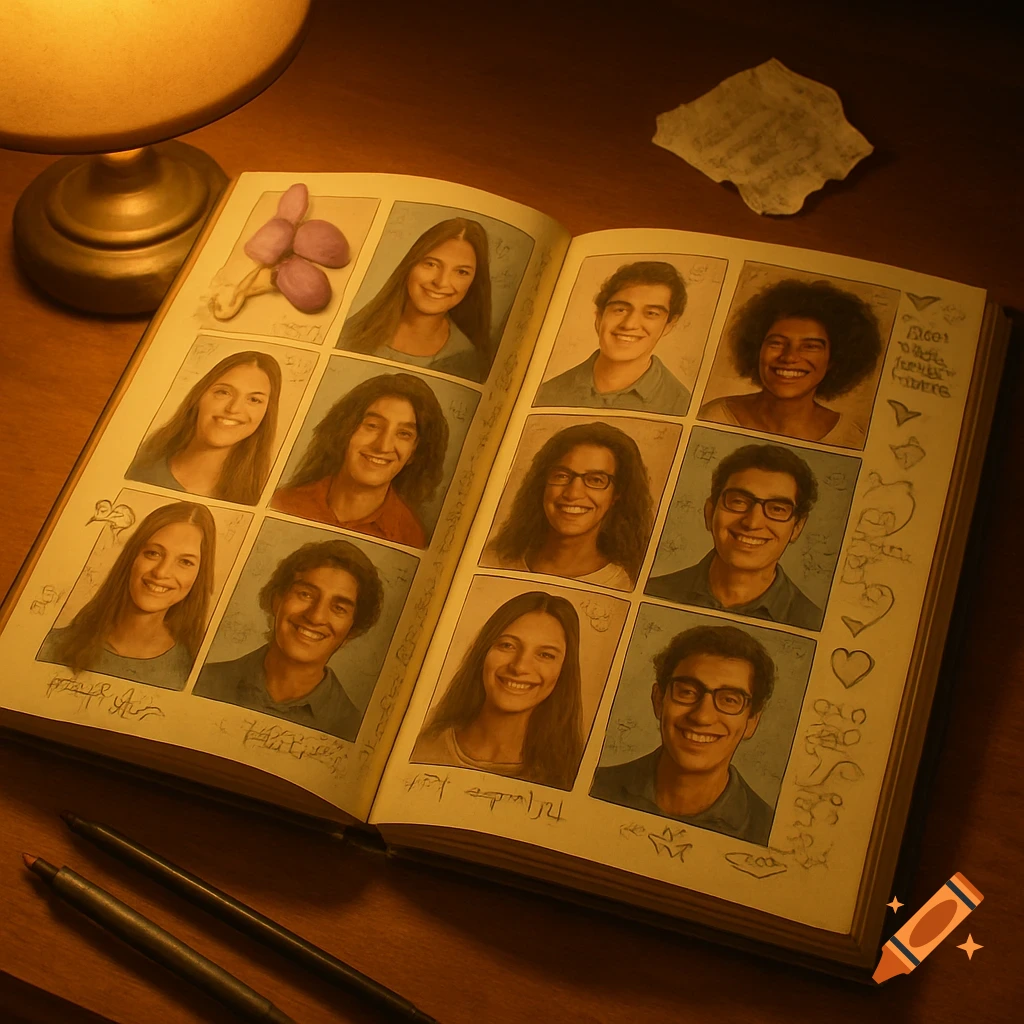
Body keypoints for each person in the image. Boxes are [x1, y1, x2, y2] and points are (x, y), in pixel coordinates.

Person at [590, 624, 774, 844]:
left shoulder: (766, 831)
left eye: (729, 700)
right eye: (687, 692)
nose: (702, 717)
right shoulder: (594, 785)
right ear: (658, 700)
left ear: (752, 721)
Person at [193, 539, 384, 741]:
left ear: (351, 631)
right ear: (277, 600)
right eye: (306, 594)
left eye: (338, 608)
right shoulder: (202, 681)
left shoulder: (351, 728)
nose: (316, 617)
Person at [411, 591, 584, 790]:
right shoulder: (420, 742)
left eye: (545, 654)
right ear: (484, 653)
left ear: (564, 670)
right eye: (507, 645)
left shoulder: (571, 775)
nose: (519, 667)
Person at [37, 501, 217, 690]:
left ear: (199, 575)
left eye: (185, 562)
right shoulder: (51, 645)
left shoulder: (193, 671)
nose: (161, 572)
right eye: (153, 553)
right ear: (132, 558)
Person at [645, 444, 822, 630]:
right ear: (709, 512)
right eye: (738, 502)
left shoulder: (811, 622)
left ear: (797, 527)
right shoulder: (653, 592)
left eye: (777, 509)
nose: (752, 523)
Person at [698, 278, 884, 447]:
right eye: (777, 343)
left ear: (834, 359)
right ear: (757, 349)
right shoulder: (714, 417)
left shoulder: (851, 438)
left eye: (810, 346)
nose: (789, 357)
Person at [270, 373, 449, 548]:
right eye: (372, 426)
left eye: (404, 434)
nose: (383, 446)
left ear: (415, 452)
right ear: (345, 430)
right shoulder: (284, 503)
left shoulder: (411, 536)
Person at [482, 422, 654, 590]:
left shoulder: (624, 586)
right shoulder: (492, 560)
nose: (573, 494)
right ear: (542, 484)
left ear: (616, 495)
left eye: (595, 480)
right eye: (561, 476)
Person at [338, 217, 493, 382]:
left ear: (474, 282)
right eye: (431, 264)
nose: (441, 282)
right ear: (410, 266)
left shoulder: (468, 359)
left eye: (461, 272)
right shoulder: (352, 333)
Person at [127, 350, 282, 505]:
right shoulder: (137, 468)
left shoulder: (260, 499)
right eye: (223, 392)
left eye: (254, 400)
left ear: (267, 413)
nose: (233, 408)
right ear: (199, 397)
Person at [535, 261, 690, 415]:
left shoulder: (682, 405)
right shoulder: (546, 394)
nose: (629, 324)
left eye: (651, 313)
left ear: (669, 325)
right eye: (620, 310)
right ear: (599, 317)